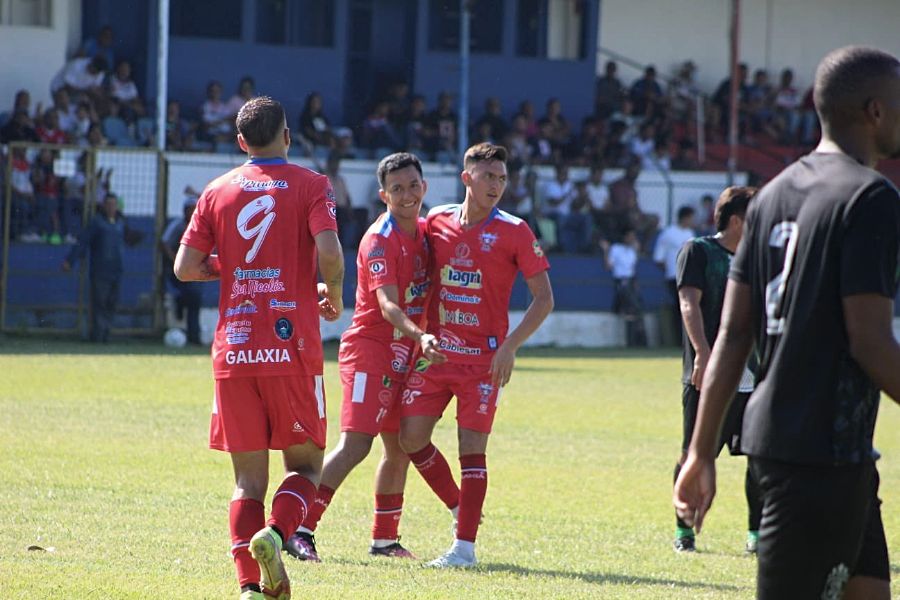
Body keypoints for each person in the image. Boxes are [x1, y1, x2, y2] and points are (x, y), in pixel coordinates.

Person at [675, 46, 900, 600]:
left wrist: (701, 453)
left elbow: (733, 334)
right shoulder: (871, 198)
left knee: (869, 589)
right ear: (875, 110)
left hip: (819, 450)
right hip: (819, 453)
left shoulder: (772, 196)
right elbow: (869, 340)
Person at [174, 96, 344, 600]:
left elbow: (185, 266)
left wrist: (229, 267)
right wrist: (332, 293)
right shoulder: (312, 184)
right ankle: (275, 533)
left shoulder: (217, 190)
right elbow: (330, 251)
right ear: (288, 137)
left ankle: (249, 586)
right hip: (290, 349)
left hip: (235, 350)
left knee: (248, 481)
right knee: (307, 468)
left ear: (241, 142)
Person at [285, 152, 447, 563]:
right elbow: (389, 306)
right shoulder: (380, 238)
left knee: (399, 449)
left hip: (406, 352)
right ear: (383, 195)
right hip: (370, 352)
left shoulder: (428, 233)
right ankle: (300, 529)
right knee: (356, 444)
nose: (407, 195)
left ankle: (384, 539)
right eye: (397, 189)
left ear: (424, 188)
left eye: (413, 186)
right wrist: (421, 334)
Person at [398, 143, 554, 568]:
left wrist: (510, 347)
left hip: (484, 362)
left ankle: (464, 548)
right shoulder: (437, 222)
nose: (497, 186)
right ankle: (459, 506)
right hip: (437, 355)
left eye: (502, 178)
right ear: (467, 178)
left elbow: (543, 299)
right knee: (409, 437)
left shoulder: (516, 230)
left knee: (472, 449)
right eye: (489, 177)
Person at [671, 186, 761, 554]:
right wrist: (702, 355)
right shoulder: (699, 251)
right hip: (707, 373)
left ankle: (757, 535)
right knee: (693, 451)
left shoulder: (759, 260)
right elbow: (689, 304)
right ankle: (684, 531)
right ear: (737, 220)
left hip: (756, 377)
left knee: (761, 457)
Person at [62, 192, 126, 343]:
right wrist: (70, 261)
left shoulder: (120, 223)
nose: (111, 207)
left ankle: (106, 334)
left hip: (116, 270)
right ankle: (97, 336)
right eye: (109, 204)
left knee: (111, 303)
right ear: (104, 206)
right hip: (100, 270)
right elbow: (82, 242)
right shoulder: (97, 222)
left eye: (114, 204)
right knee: (99, 304)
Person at [160, 192, 204, 345]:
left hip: (196, 272)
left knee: (195, 301)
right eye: (189, 209)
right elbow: (164, 243)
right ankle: (186, 330)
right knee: (189, 297)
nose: (192, 212)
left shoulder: (201, 226)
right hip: (179, 273)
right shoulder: (177, 225)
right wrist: (176, 261)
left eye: (195, 208)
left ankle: (194, 336)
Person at [654, 205, 696, 343]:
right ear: (685, 217)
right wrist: (670, 269)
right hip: (674, 275)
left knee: (690, 307)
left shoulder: (690, 234)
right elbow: (659, 257)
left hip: (689, 275)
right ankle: (678, 339)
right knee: (679, 307)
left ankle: (688, 338)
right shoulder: (669, 233)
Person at [600, 229, 645, 346]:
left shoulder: (632, 252)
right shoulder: (616, 249)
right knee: (633, 306)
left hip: (631, 281)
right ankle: (633, 341)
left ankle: (635, 340)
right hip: (621, 281)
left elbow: (633, 268)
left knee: (634, 309)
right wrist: (606, 251)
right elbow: (609, 266)